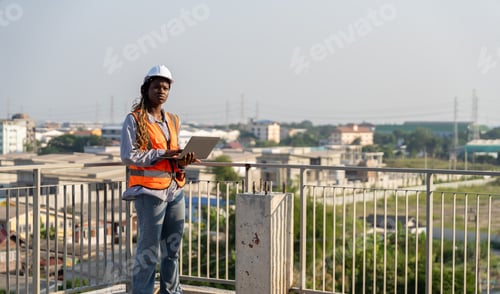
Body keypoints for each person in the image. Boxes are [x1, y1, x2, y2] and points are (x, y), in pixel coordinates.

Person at [120, 64, 199, 294]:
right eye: (157, 87)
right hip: (149, 192)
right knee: (149, 250)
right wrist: (160, 154)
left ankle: (171, 291)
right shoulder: (134, 119)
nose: (161, 91)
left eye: (166, 87)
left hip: (174, 189)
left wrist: (184, 159)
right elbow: (128, 155)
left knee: (172, 249)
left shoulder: (173, 120)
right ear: (146, 88)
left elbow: (171, 154)